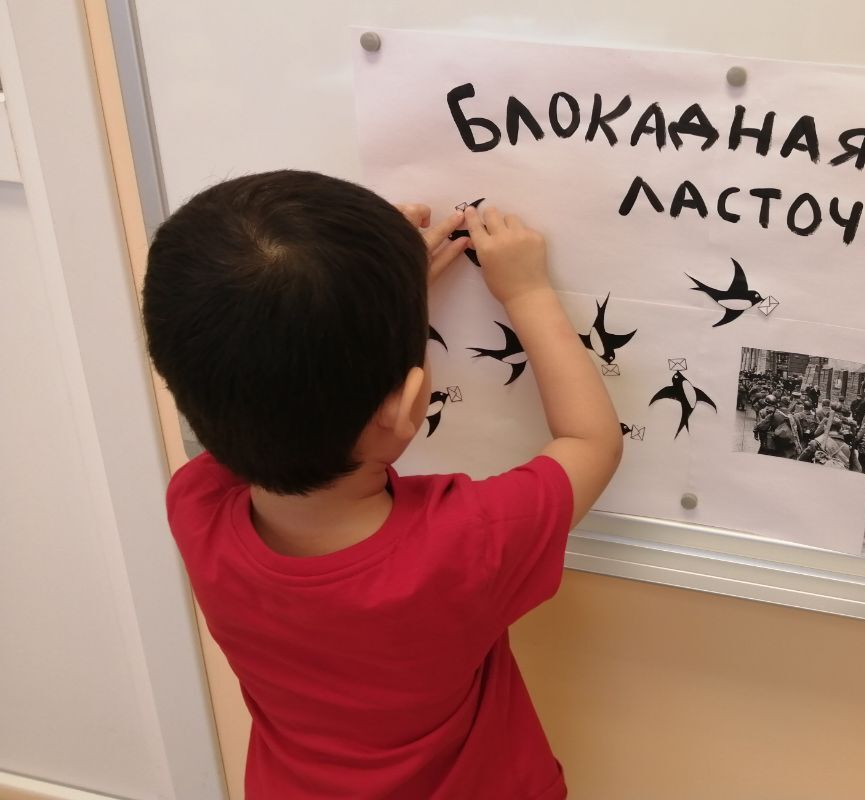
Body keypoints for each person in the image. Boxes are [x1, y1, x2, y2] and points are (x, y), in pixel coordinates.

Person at [142, 172, 623, 799]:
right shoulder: (468, 543)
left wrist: (368, 304)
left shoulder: (195, 506)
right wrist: (527, 291)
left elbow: (258, 385)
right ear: (407, 406)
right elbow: (592, 442)